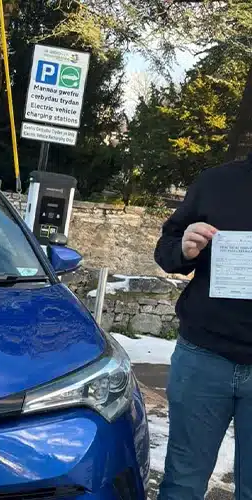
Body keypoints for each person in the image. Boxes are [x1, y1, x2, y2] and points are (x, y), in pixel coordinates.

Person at [155, 157, 252, 500]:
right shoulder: (215, 182)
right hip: (203, 357)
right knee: (182, 485)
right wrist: (184, 248)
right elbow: (166, 249)